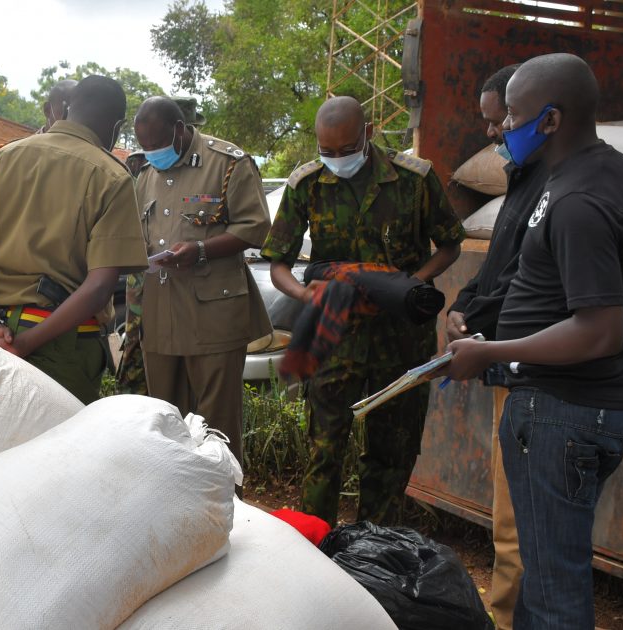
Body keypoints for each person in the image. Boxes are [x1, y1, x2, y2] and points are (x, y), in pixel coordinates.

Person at [445, 53, 623, 630]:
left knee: (552, 592)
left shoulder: (577, 201)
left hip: (559, 413)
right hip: (574, 406)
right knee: (545, 577)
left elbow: (599, 329)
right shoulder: (610, 172)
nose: (501, 129)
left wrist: (492, 352)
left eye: (511, 116)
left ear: (550, 119)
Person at [262, 96, 464, 527]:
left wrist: (410, 285)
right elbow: (278, 263)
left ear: (368, 133)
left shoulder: (413, 179)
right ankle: (316, 546)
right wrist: (304, 295)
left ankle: (376, 546)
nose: (337, 159)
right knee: (324, 449)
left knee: (392, 452)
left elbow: (450, 244)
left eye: (347, 149)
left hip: (401, 337)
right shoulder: (307, 183)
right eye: (327, 150)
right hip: (334, 335)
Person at [0, 75, 148, 404]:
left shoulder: (3, 158)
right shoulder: (112, 177)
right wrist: (24, 345)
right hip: (65, 344)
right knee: (64, 437)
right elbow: (99, 286)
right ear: (117, 126)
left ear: (67, 109)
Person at [445, 63, 541, 630]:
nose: (492, 131)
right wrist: (461, 306)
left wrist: (481, 321)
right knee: (509, 514)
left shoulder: (563, 187)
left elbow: (530, 281)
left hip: (534, 372)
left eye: (500, 118)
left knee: (521, 518)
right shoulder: (521, 178)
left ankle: (507, 619)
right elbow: (498, 268)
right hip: (508, 362)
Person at [133, 96, 272, 475]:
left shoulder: (226, 163)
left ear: (180, 130)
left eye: (157, 144)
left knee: (216, 428)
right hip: (159, 313)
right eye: (145, 146)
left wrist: (201, 250)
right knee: (165, 423)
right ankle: (175, 503)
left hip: (213, 313)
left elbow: (256, 227)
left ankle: (226, 504)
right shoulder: (145, 174)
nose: (152, 153)